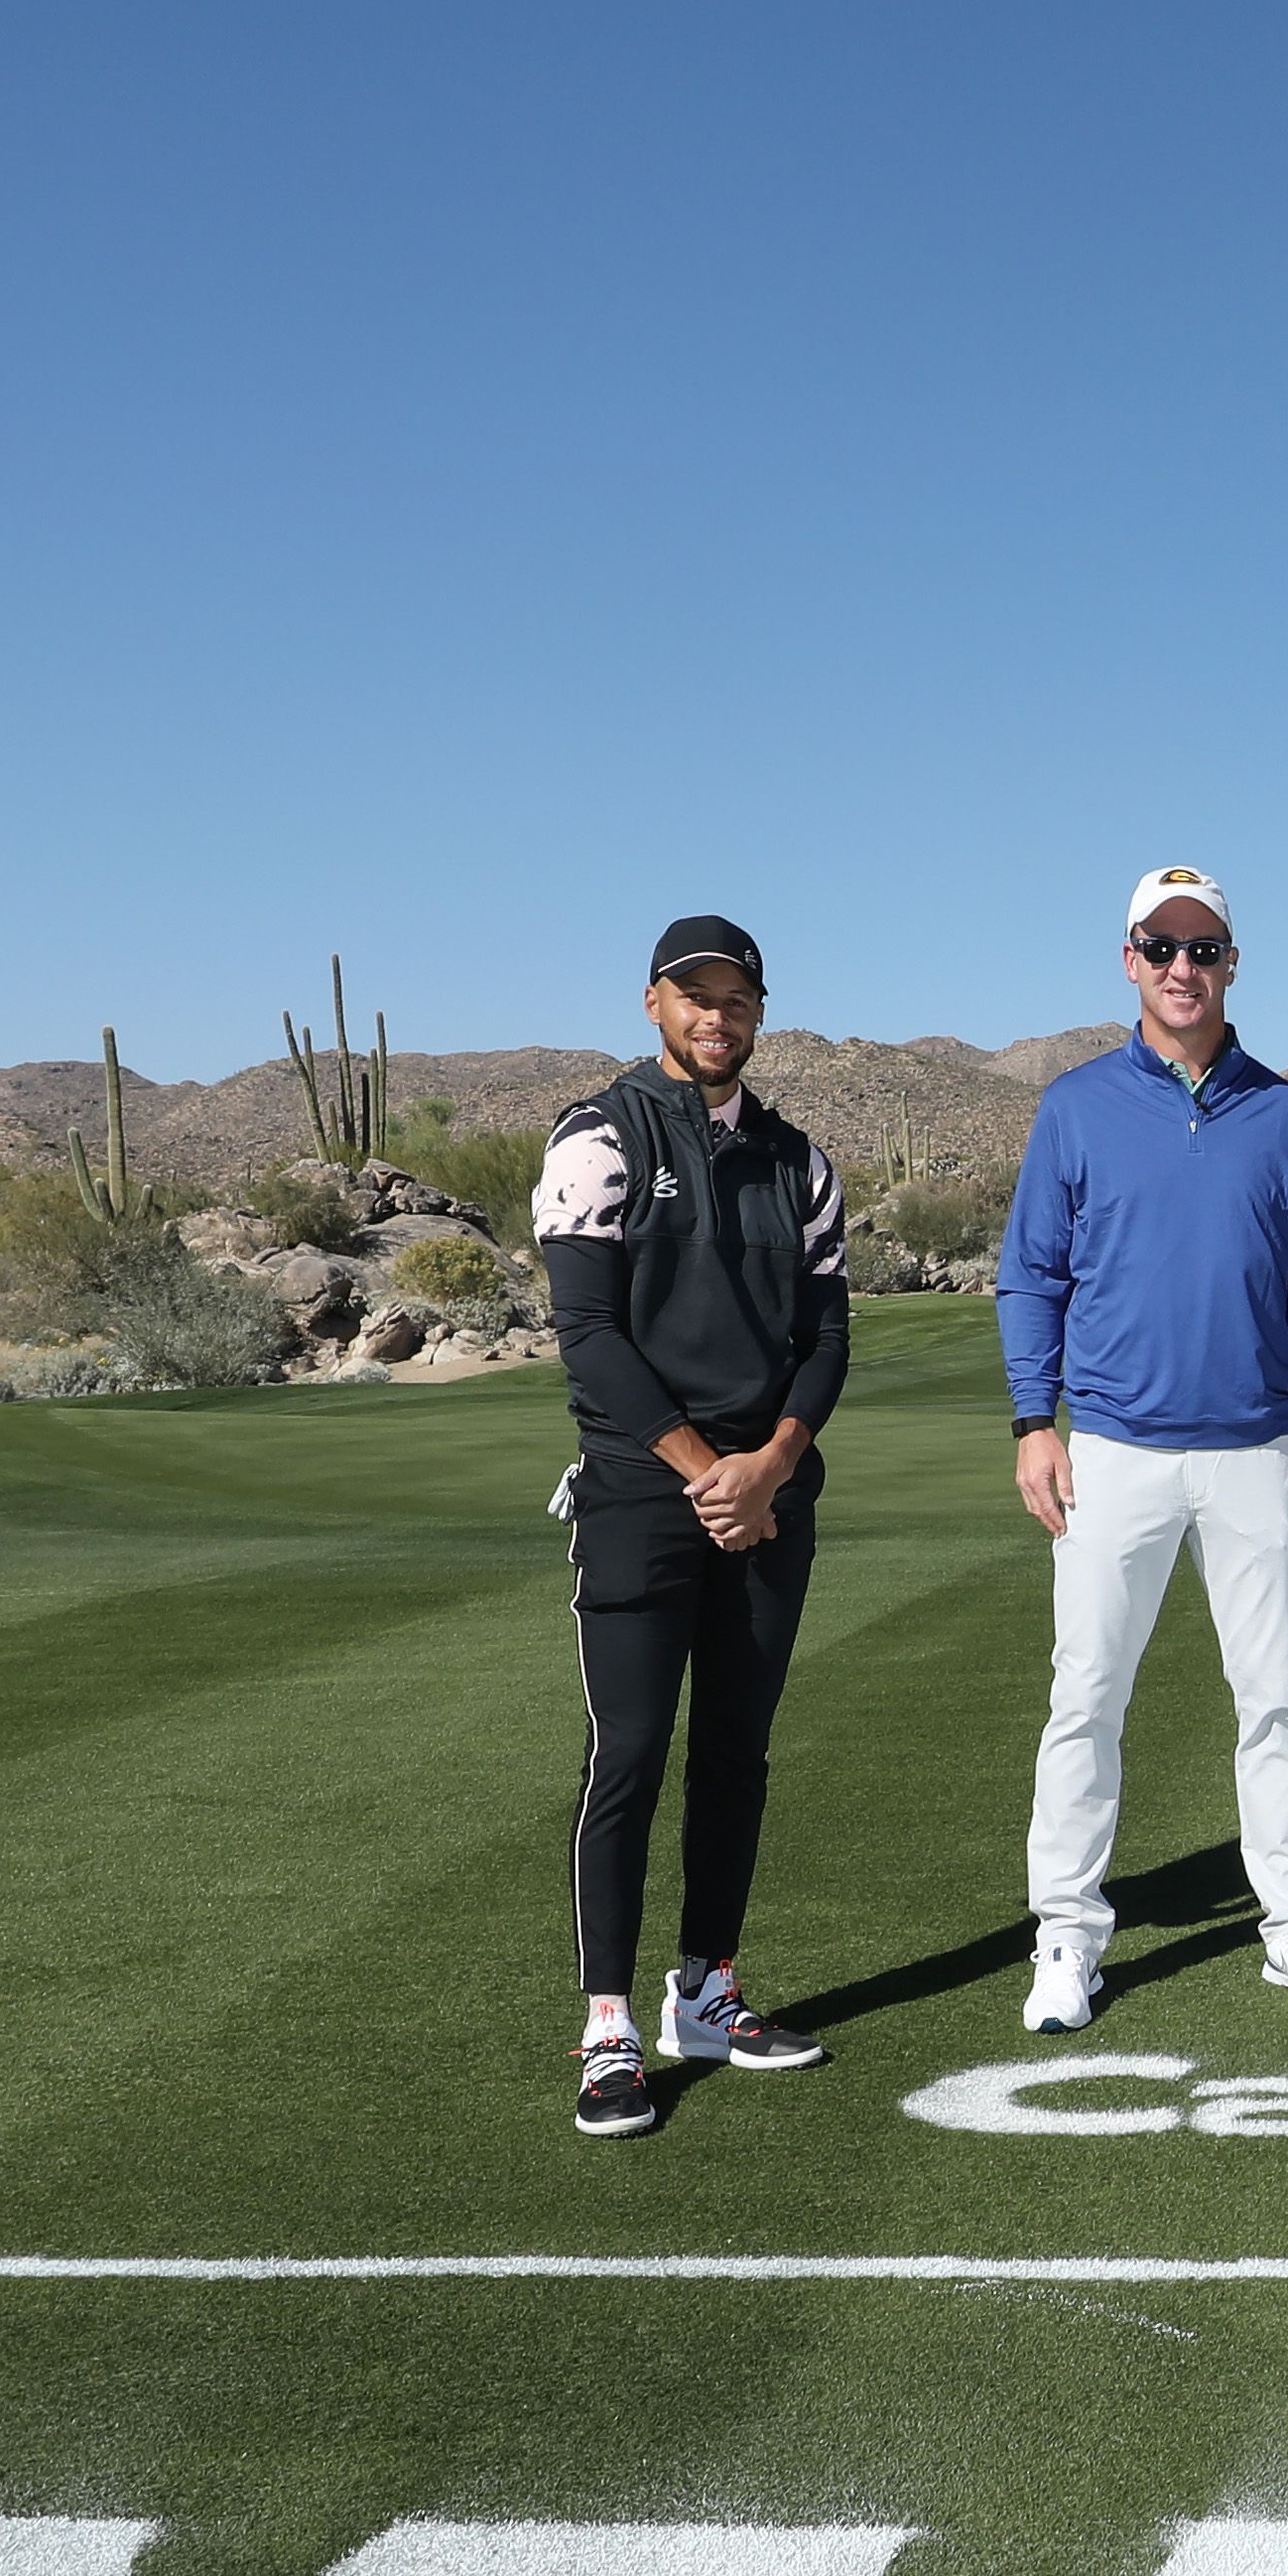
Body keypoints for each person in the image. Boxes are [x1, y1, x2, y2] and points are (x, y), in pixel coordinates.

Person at [1004, 865, 1288, 2033]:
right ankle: (1067, 1935)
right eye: (1160, 946)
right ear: (1129, 960)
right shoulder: (1075, 1107)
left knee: (1275, 1703)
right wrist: (1033, 1421)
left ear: (1230, 964)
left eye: (1202, 948)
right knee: (1086, 1699)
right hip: (1111, 1447)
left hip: (1254, 1448)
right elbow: (1032, 1274)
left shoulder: (1284, 1112)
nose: (1181, 967)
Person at [536, 914, 850, 2135]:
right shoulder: (598, 1135)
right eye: (695, 995)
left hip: (766, 1496)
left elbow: (826, 1336)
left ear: (759, 1013)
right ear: (654, 1004)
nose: (716, 1016)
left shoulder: (798, 1161)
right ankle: (609, 2026)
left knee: (734, 1752)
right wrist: (703, 1469)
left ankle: (708, 1991)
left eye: (736, 998)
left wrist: (768, 1465)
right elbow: (589, 1334)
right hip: (640, 1492)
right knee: (627, 1753)